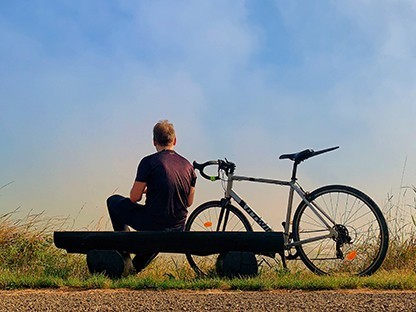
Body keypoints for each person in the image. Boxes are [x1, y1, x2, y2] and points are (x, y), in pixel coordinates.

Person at [106, 120, 197, 273]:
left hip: (154, 223)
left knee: (114, 201)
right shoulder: (188, 166)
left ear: (154, 141)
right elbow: (188, 202)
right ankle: (133, 270)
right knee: (158, 228)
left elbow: (134, 198)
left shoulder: (149, 162)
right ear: (175, 141)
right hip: (177, 226)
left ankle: (124, 251)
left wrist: (143, 190)